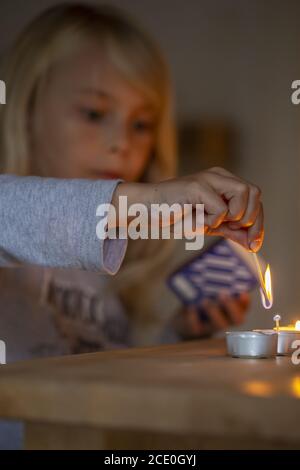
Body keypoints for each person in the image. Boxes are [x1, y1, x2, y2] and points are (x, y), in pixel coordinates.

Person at [0, 3, 263, 360]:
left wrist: (179, 335)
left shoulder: (112, 263)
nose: (122, 143)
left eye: (141, 125)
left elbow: (103, 375)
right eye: (94, 113)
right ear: (26, 109)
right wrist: (144, 202)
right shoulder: (11, 227)